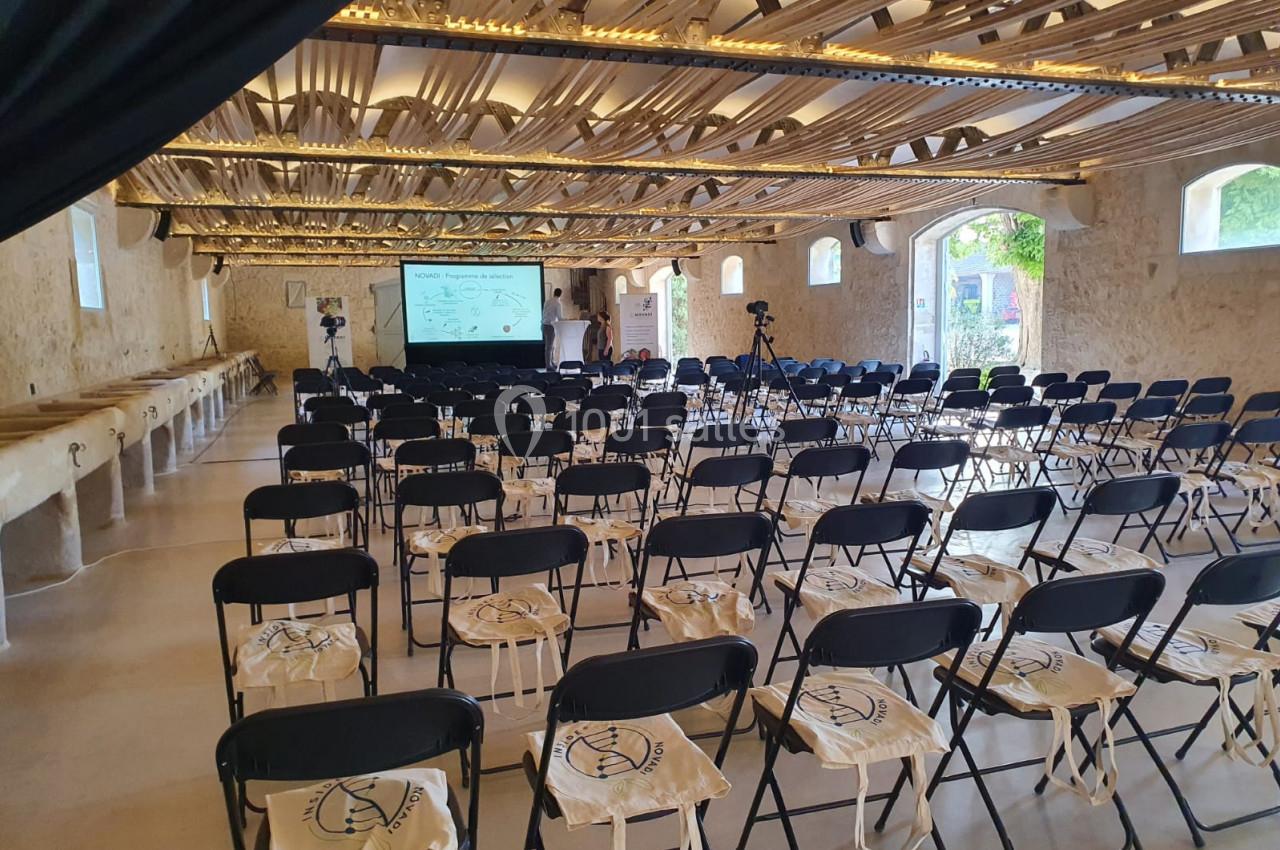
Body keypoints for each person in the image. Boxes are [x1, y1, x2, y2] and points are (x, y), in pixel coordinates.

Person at [541, 288, 563, 369]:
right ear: (560, 294)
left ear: (554, 293)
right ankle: (548, 365)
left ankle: (551, 362)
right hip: (550, 326)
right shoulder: (557, 303)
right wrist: (567, 319)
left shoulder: (547, 301)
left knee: (551, 346)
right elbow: (559, 317)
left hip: (543, 325)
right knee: (549, 346)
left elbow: (544, 313)